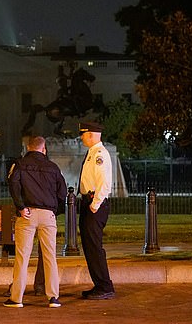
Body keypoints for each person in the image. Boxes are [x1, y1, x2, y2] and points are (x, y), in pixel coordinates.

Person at [4, 136, 67, 308]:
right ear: (43, 149)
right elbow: (62, 193)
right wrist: (54, 211)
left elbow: (13, 185)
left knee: (22, 258)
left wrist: (21, 207)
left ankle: (17, 298)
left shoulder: (20, 164)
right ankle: (53, 297)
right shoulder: (53, 167)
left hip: (27, 214)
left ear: (28, 148)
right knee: (50, 257)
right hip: (48, 215)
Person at [78, 121, 116, 300]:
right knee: (90, 247)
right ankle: (100, 285)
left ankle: (105, 286)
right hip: (89, 203)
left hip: (95, 205)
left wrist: (94, 205)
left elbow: (104, 184)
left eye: (83, 134)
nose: (81, 137)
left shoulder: (100, 154)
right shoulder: (92, 153)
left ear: (91, 134)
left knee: (94, 247)